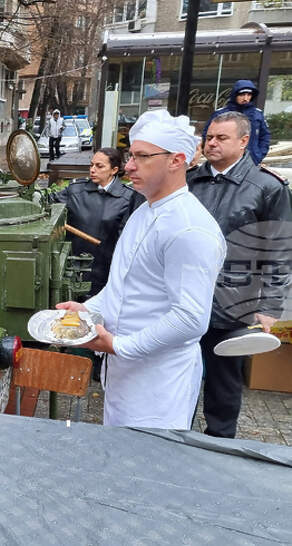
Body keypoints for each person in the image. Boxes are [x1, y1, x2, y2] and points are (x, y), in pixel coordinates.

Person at [57, 109, 226, 430]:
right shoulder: (145, 211)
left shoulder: (189, 228)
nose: (130, 166)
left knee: (146, 457)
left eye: (142, 157)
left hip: (158, 388)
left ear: (176, 160)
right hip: (124, 374)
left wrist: (119, 346)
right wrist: (88, 309)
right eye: (131, 155)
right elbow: (123, 287)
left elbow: (190, 319)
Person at [188, 111, 292, 438]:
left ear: (244, 141)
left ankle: (220, 443)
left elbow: (279, 249)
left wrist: (270, 306)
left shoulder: (267, 187)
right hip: (186, 296)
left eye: (222, 138)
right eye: (209, 137)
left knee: (224, 381)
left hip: (234, 302)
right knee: (179, 374)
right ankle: (176, 435)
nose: (212, 143)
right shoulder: (189, 181)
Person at [50, 148, 144, 380]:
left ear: (114, 170)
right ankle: (73, 364)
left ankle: (98, 366)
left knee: (101, 318)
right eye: (91, 165)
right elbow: (49, 205)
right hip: (74, 265)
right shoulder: (76, 190)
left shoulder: (128, 198)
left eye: (99, 166)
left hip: (106, 267)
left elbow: (128, 239)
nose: (92, 170)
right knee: (74, 314)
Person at [203, 80, 271, 165]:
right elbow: (207, 135)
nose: (245, 98)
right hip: (223, 160)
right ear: (235, 95)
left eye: (249, 95)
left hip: (251, 160)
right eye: (242, 95)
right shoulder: (220, 113)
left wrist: (258, 155)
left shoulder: (257, 114)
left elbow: (265, 136)